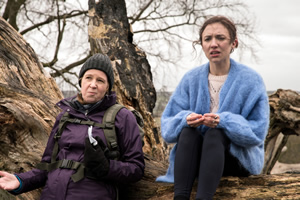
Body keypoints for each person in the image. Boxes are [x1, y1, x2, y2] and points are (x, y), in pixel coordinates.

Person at [0, 53, 145, 200]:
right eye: (89, 78)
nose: (93, 84)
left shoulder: (122, 117)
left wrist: (106, 167)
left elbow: (136, 168)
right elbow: (47, 166)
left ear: (108, 87)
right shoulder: (65, 115)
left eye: (100, 80)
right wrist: (20, 181)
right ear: (81, 81)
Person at [156, 16, 270, 200]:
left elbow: (258, 132)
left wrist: (223, 122)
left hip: (236, 158)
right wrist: (186, 120)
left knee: (215, 133)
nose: (213, 44)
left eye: (220, 38)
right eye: (207, 39)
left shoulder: (251, 81)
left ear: (234, 43)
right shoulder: (190, 79)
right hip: (195, 157)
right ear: (201, 44)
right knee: (188, 132)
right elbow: (168, 127)